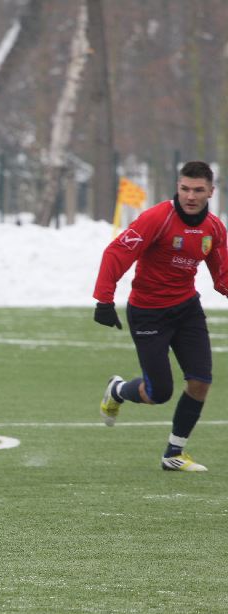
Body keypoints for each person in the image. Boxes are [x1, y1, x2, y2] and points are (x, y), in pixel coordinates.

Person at [94, 161, 228, 472]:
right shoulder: (157, 218)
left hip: (186, 310)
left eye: (198, 190)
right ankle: (117, 390)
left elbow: (222, 277)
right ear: (178, 187)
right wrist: (104, 300)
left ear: (211, 191)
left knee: (200, 381)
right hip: (148, 313)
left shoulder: (214, 228)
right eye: (185, 188)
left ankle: (173, 453)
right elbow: (117, 253)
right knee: (159, 393)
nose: (190, 195)